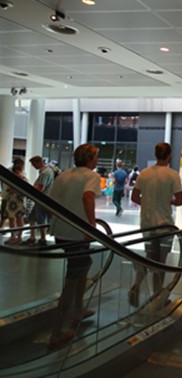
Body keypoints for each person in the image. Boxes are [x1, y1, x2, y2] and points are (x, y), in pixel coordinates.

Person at [47, 144, 102, 349]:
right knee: (71, 280)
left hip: (61, 233)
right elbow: (88, 196)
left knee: (84, 264)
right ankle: (56, 332)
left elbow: (48, 202)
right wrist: (91, 225)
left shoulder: (64, 175)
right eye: (96, 157)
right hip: (77, 235)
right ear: (89, 159)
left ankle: (79, 308)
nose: (97, 161)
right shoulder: (90, 176)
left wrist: (58, 221)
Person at [129, 142, 182, 308]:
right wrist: (167, 201)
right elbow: (180, 200)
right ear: (169, 155)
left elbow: (134, 197)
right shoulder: (172, 175)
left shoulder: (144, 173)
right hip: (165, 223)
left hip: (147, 222)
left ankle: (137, 285)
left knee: (150, 257)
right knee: (161, 262)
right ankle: (158, 295)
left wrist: (148, 203)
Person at [26, 155, 55, 245]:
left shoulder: (44, 173)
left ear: (38, 162)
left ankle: (42, 238)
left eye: (33, 164)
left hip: (41, 199)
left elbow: (41, 187)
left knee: (40, 219)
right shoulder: (49, 170)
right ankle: (33, 237)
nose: (33, 167)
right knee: (32, 218)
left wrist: (31, 191)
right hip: (46, 197)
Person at [4, 158, 28, 245]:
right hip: (13, 200)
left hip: (17, 200)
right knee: (13, 218)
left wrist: (12, 189)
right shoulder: (19, 177)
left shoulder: (23, 178)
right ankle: (14, 237)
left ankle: (18, 237)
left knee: (17, 219)